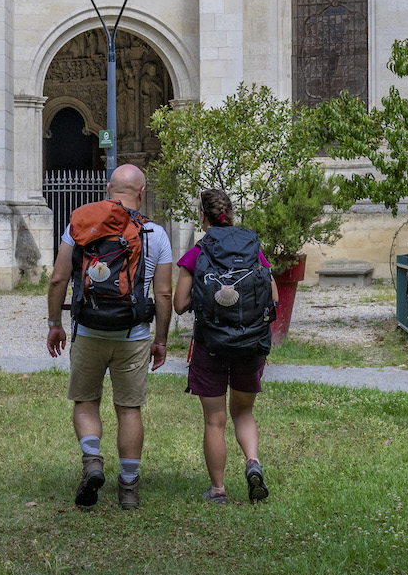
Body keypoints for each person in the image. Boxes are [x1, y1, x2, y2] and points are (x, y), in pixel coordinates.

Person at [44, 163, 171, 511]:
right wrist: (160, 340)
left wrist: (55, 323)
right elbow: (163, 294)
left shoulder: (80, 224)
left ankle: (92, 462)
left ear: (107, 188)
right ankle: (128, 487)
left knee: (86, 401)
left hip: (88, 330)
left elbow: (58, 278)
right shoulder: (155, 234)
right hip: (133, 334)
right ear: (142, 193)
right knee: (129, 409)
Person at [175, 187, 274, 504]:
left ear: (202, 216)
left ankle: (218, 490)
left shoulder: (198, 252)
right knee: (243, 413)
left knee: (214, 421)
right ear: (229, 213)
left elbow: (179, 304)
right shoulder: (251, 247)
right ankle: (253, 463)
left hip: (211, 345)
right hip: (250, 343)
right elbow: (272, 294)